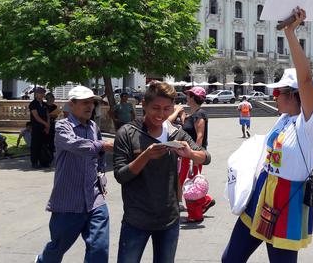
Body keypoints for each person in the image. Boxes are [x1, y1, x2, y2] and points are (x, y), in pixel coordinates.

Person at [222, 7, 313, 263]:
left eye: (279, 93)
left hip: (289, 200)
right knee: (230, 259)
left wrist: (290, 32)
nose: (275, 97)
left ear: (295, 96)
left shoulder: (311, 124)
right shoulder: (284, 119)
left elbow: (306, 81)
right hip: (263, 193)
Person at [113, 82, 211, 263]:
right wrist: (146, 156)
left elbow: (206, 157)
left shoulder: (175, 133)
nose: (161, 114)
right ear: (144, 104)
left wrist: (190, 154)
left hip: (169, 219)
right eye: (155, 108)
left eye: (167, 109)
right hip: (136, 219)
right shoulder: (127, 133)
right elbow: (121, 175)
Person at [36, 85, 114, 263]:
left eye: (92, 103)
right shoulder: (63, 126)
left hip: (94, 198)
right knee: (57, 247)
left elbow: (98, 155)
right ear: (71, 104)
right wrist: (102, 146)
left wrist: (101, 175)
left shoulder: (93, 126)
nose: (90, 107)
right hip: (68, 201)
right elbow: (76, 145)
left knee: (99, 248)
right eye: (85, 103)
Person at [179, 86, 215, 223]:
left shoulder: (200, 114)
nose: (186, 97)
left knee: (192, 183)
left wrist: (195, 156)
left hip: (194, 153)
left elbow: (199, 137)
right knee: (189, 181)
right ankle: (205, 201)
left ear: (194, 97)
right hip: (187, 153)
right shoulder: (194, 114)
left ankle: (195, 214)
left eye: (188, 95)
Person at [29, 87, 50, 168]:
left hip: (45, 128)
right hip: (36, 127)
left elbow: (47, 115)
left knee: (44, 145)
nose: (41, 94)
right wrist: (45, 124)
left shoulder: (45, 104)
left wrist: (48, 125)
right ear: (36, 94)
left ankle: (44, 161)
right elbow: (36, 116)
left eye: (43, 93)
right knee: (35, 145)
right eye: (39, 93)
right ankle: (34, 162)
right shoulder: (33, 104)